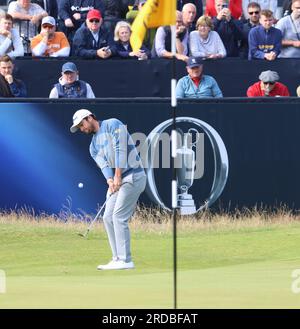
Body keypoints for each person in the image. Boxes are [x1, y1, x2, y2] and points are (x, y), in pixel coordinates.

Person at [70, 109, 147, 270]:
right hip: (119, 180)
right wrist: (110, 180)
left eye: (81, 125)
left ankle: (126, 260)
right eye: (79, 128)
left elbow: (121, 149)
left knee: (118, 216)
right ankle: (117, 258)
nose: (82, 129)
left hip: (134, 175)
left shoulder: (113, 124)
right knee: (107, 217)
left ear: (89, 118)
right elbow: (104, 165)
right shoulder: (93, 147)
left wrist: (118, 174)